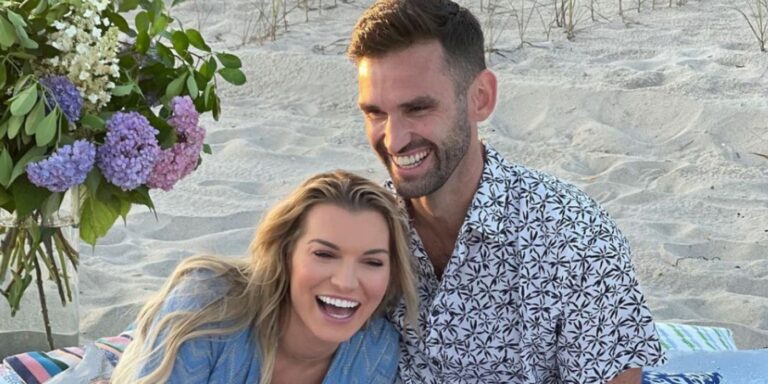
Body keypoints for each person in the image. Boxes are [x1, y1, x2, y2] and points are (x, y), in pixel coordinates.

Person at [347, 1, 665, 383]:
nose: (393, 140)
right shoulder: (355, 237)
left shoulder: (576, 241)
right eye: (375, 113)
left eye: (417, 108)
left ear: (480, 97)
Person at [111, 171, 419, 384]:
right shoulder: (207, 306)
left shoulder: (375, 351)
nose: (346, 282)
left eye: (372, 262)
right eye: (324, 254)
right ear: (285, 254)